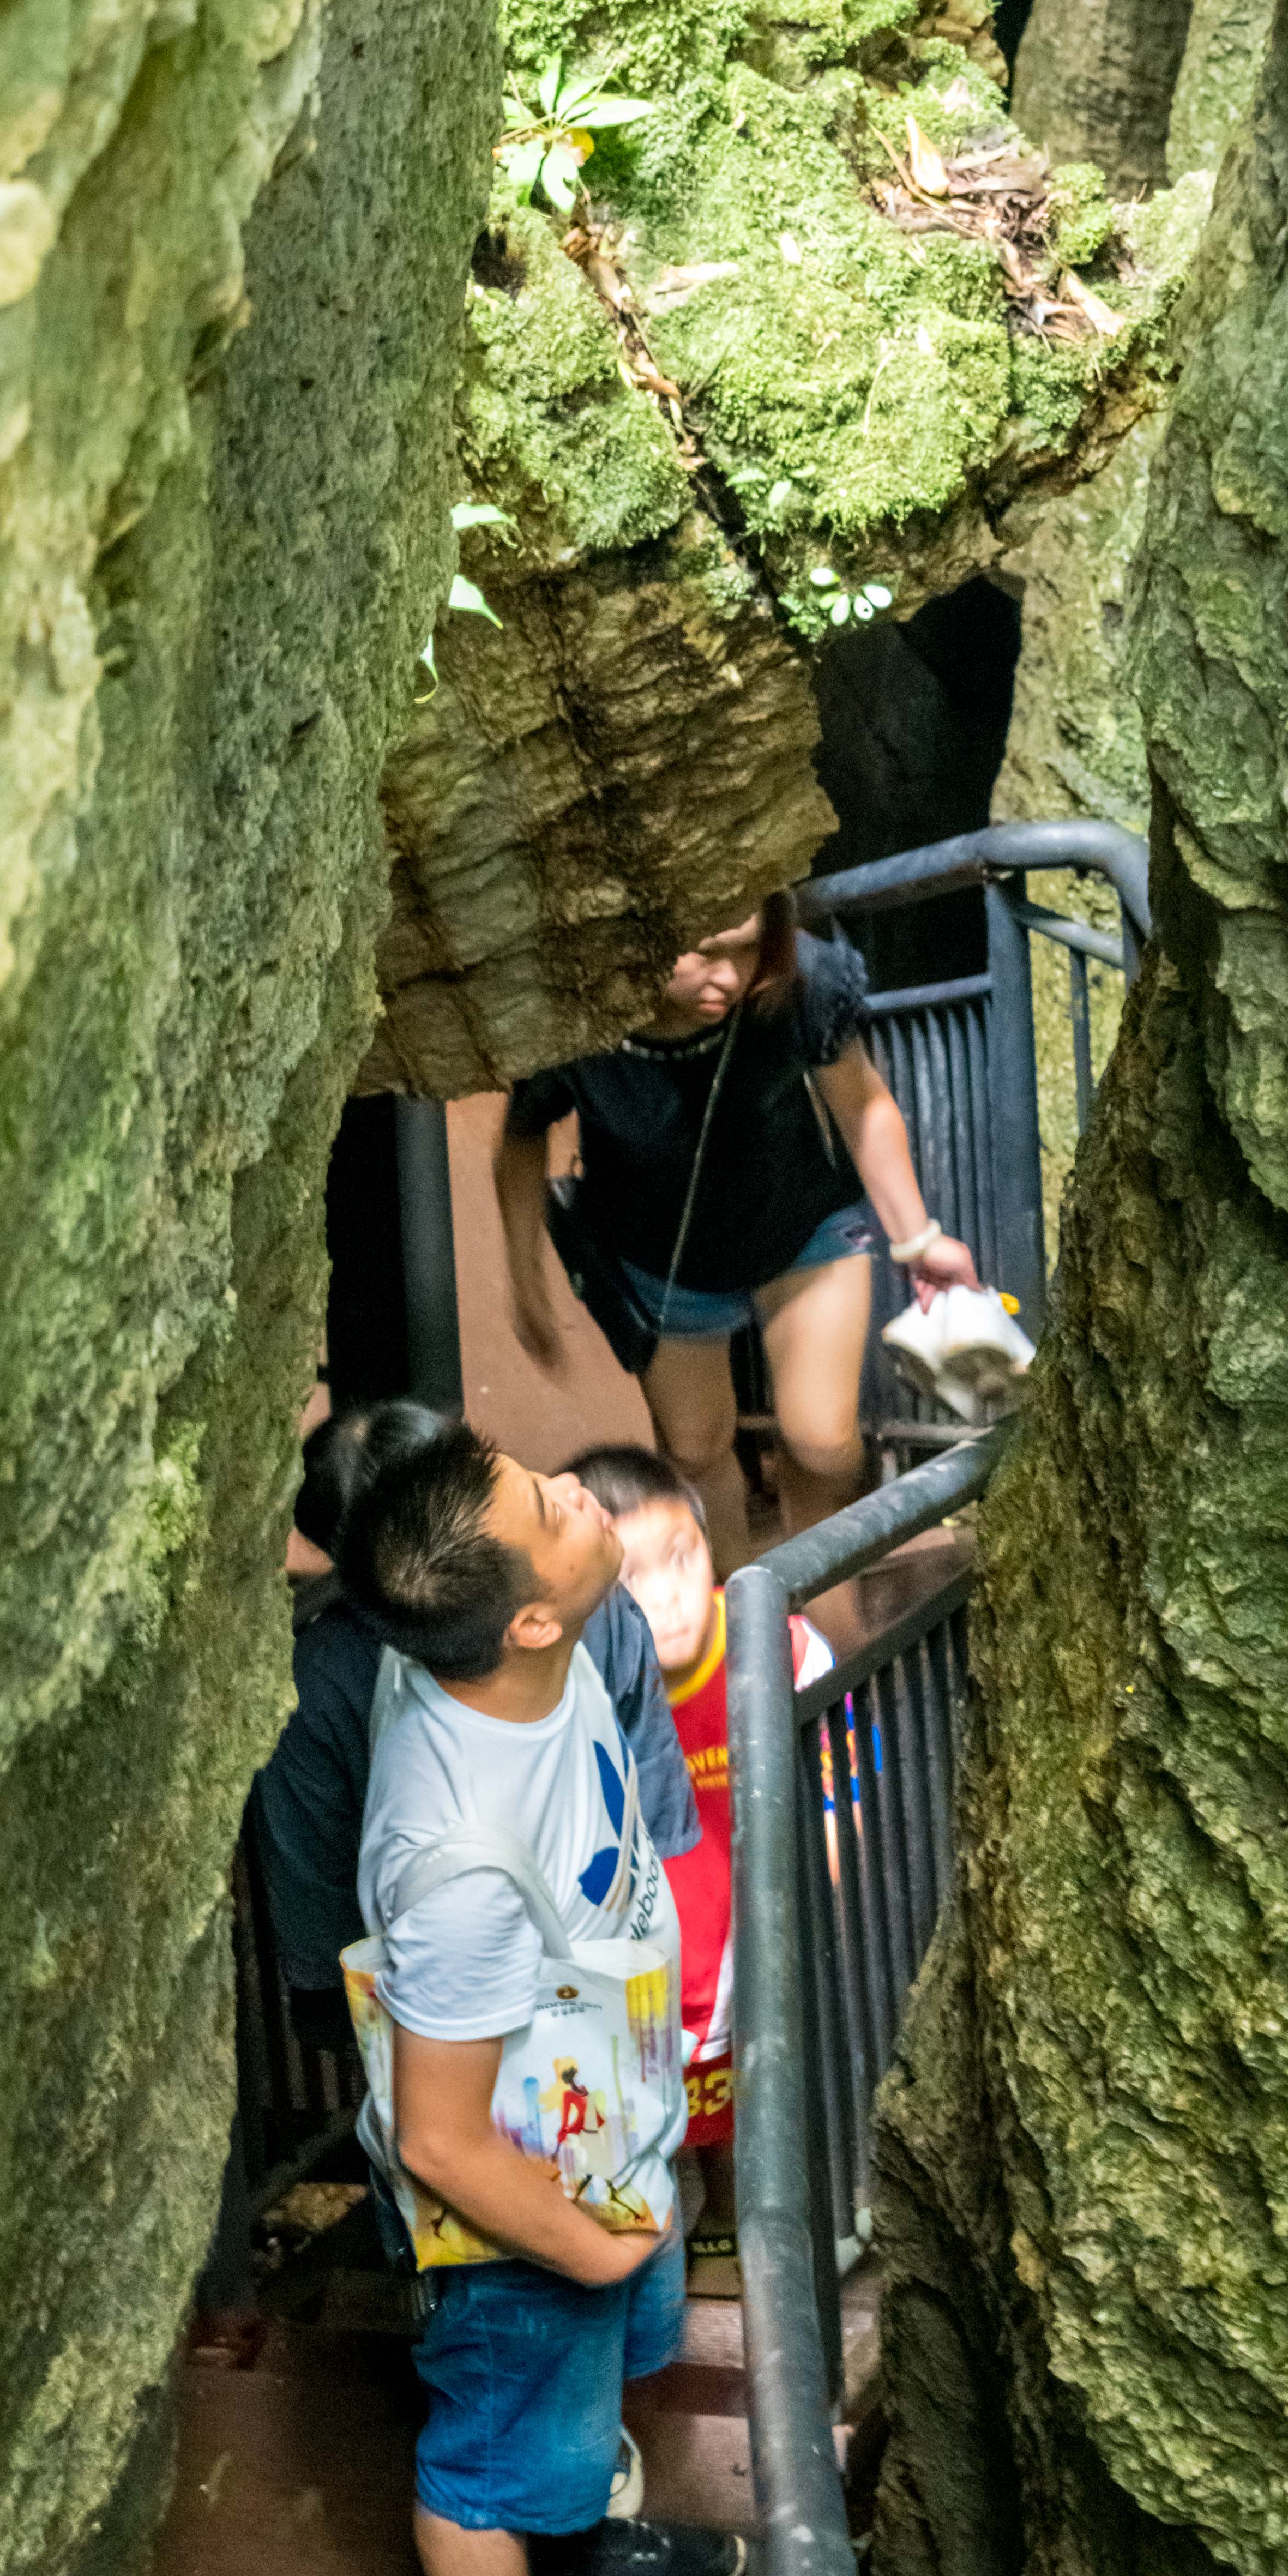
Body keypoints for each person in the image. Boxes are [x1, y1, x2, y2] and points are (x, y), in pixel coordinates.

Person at [335, 1412, 744, 2576]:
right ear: (519, 1615)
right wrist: (583, 2243)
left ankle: (572, 2543)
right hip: (519, 2197)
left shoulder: (523, 1654)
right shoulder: (454, 1861)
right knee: (491, 2450)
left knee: (591, 2392)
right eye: (553, 1510)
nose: (581, 1492)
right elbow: (442, 2140)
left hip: (601, 2104)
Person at [495, 892, 978, 1563]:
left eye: (749, 945)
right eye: (707, 951)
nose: (731, 974)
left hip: (800, 1226)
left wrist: (921, 1238)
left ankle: (829, 1612)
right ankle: (744, 1632)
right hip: (661, 1255)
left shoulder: (800, 980)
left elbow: (862, 1104)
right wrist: (524, 1274)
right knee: (693, 1449)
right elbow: (522, 1137)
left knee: (823, 1439)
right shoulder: (570, 1017)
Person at [253, 1401, 699, 2014]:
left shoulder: (316, 1682)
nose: (572, 1484)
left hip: (477, 2023)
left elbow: (322, 1945)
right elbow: (661, 1823)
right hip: (570, 2034)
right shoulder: (581, 1605)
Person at [570, 1442, 829, 2219]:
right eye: (630, 1580)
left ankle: (732, 2223)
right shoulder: (577, 1681)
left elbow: (842, 1778)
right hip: (639, 1958)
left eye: (681, 1558)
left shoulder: (778, 1650)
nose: (668, 1597)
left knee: (750, 2104)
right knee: (647, 2109)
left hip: (752, 1940)